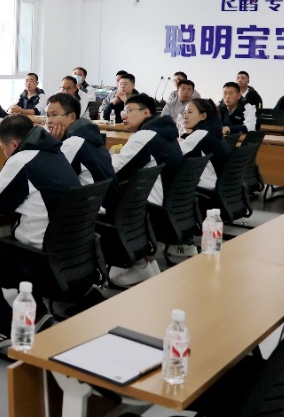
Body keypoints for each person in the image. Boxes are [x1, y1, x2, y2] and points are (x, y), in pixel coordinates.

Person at [0, 115, 82, 349]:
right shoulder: (55, 154)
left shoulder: (22, 159)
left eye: (3, 148)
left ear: (14, 144)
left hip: (43, 260)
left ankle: (7, 325)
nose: (5, 154)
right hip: (70, 255)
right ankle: (38, 314)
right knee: (12, 241)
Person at [108, 93, 184, 287]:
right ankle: (144, 266)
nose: (124, 115)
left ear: (146, 113)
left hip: (152, 207)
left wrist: (101, 160)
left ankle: (138, 266)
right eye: (123, 110)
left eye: (129, 110)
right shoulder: (164, 132)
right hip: (169, 205)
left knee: (103, 200)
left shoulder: (145, 136)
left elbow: (115, 169)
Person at [168, 98, 231, 261]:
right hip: (220, 189)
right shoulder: (213, 131)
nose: (185, 116)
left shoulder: (200, 134)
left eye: (190, 112)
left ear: (203, 116)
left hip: (207, 192)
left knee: (166, 187)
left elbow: (174, 156)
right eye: (184, 112)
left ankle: (180, 241)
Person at [45, 93, 117, 206]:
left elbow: (49, 177)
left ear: (72, 117)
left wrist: (52, 145)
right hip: (104, 204)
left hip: (93, 210)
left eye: (54, 115)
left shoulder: (74, 142)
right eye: (47, 115)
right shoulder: (87, 134)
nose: (49, 121)